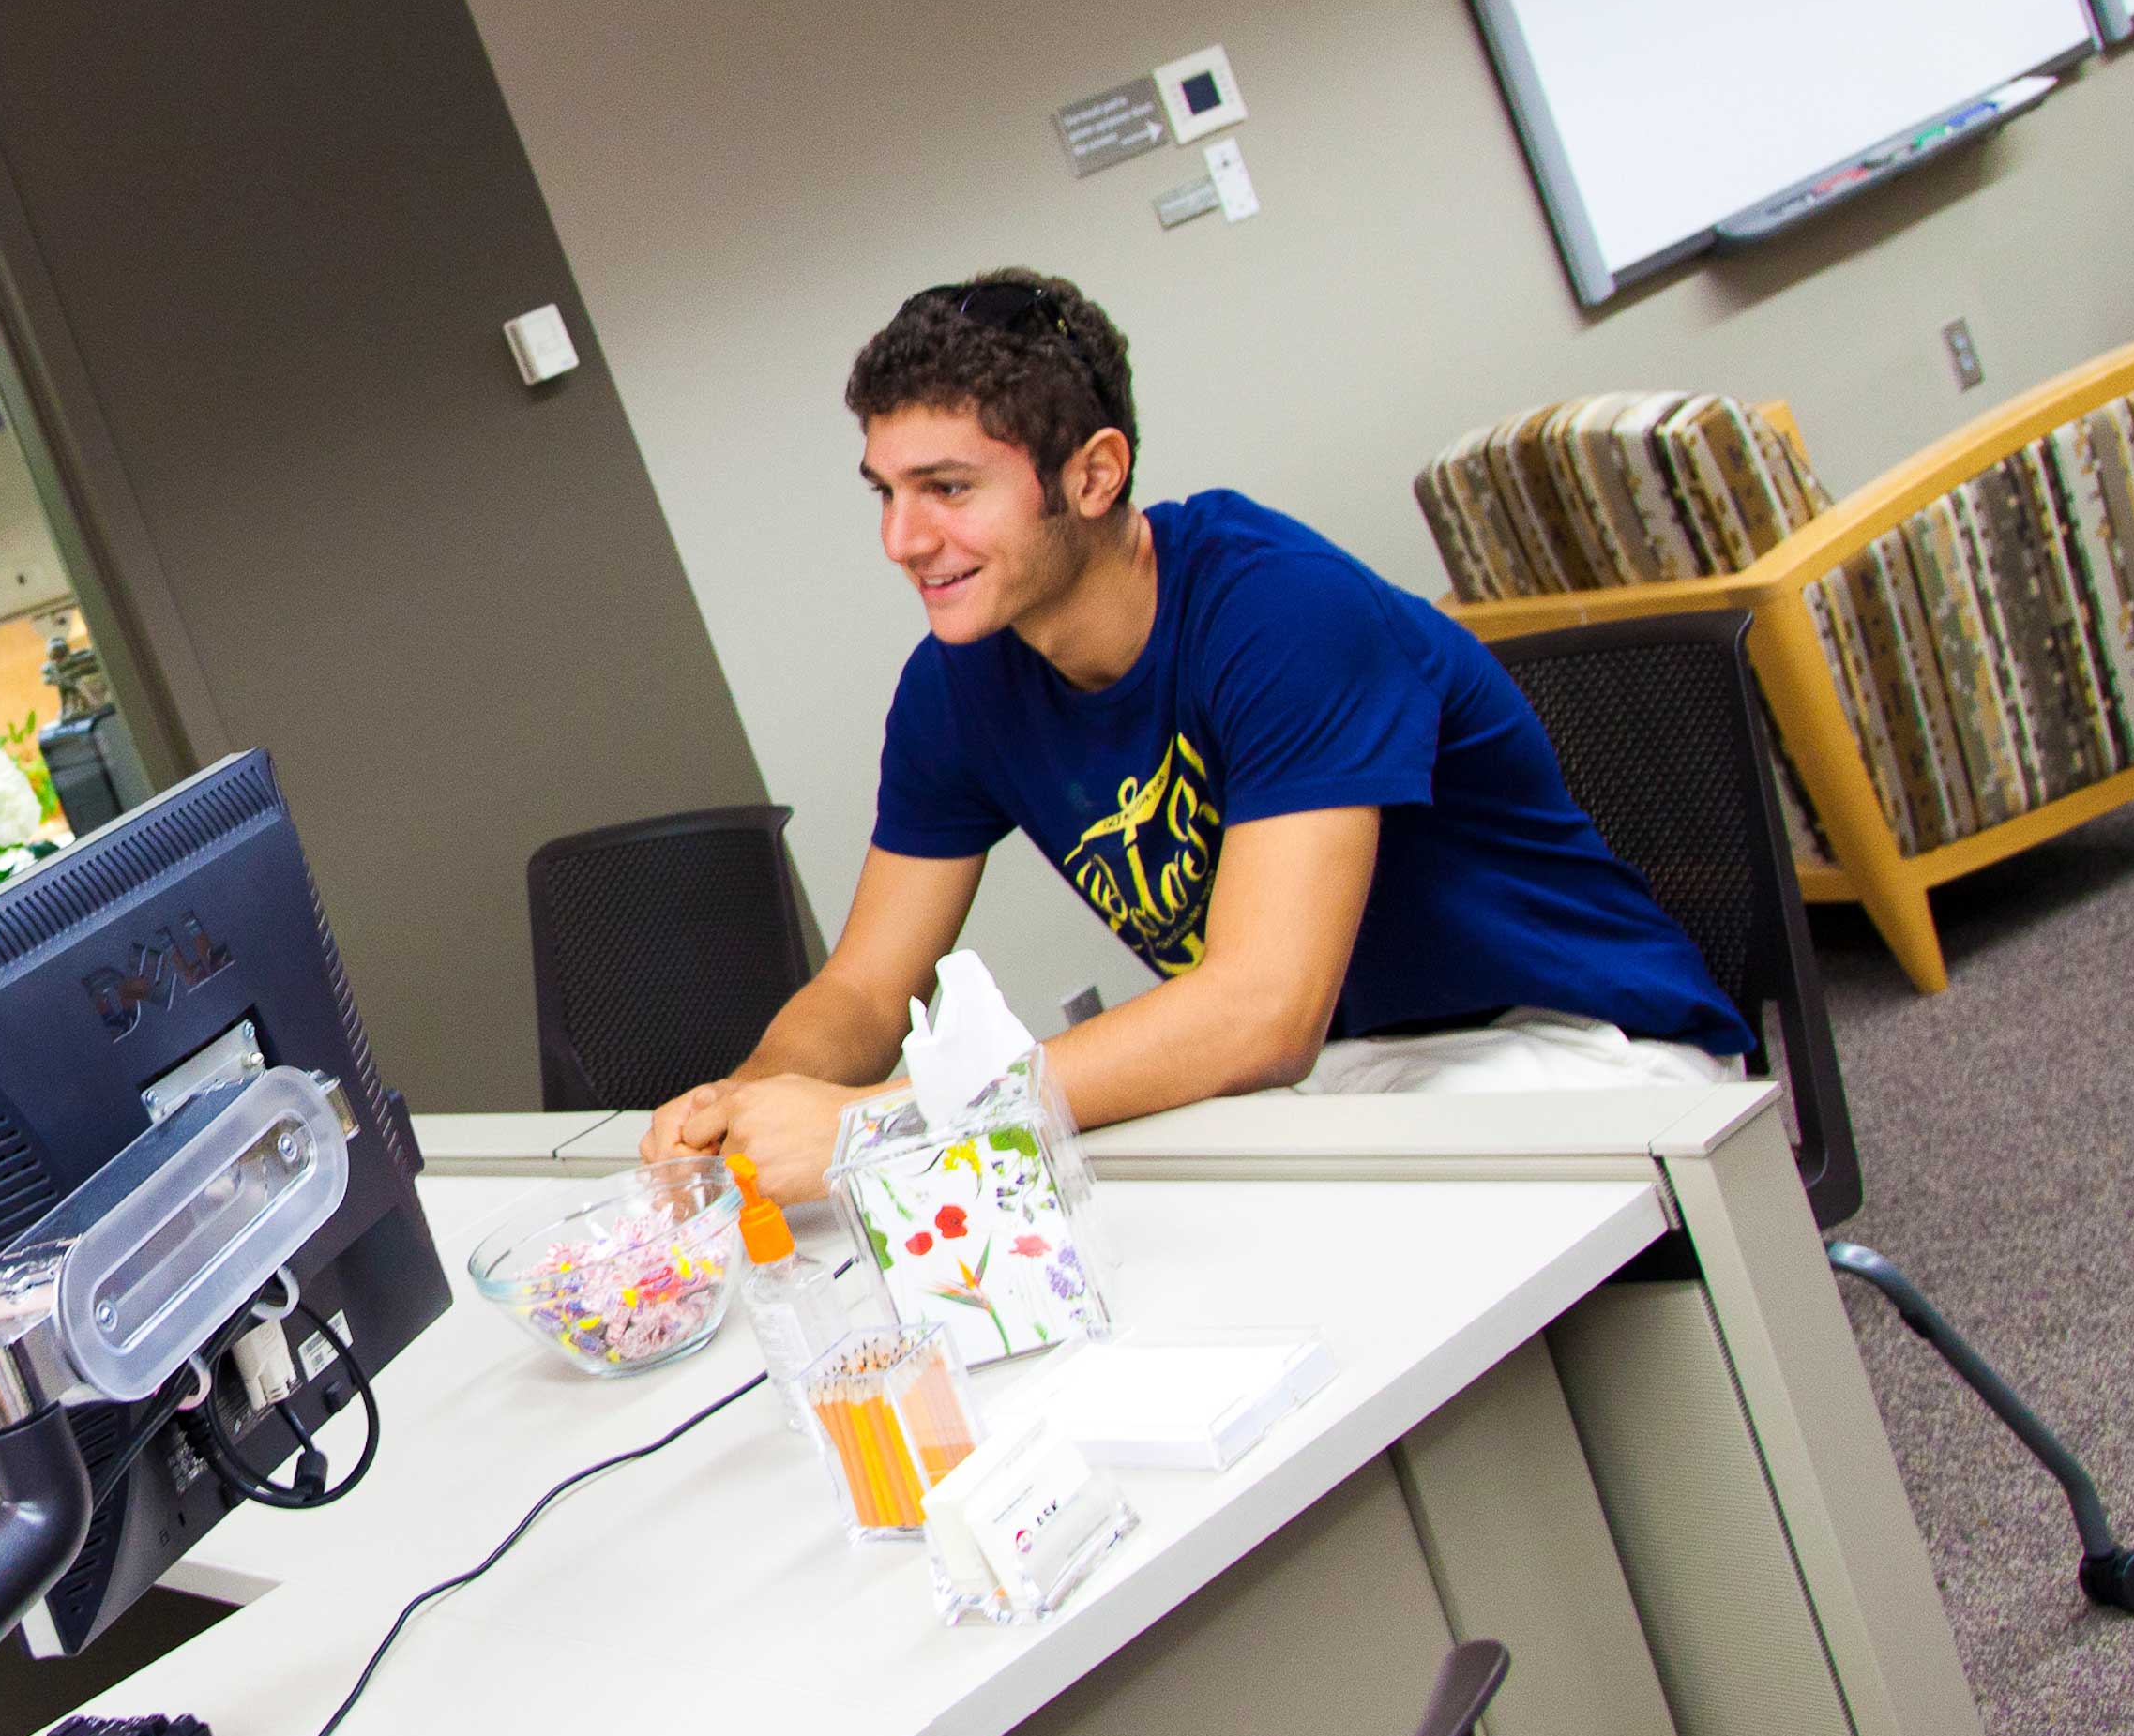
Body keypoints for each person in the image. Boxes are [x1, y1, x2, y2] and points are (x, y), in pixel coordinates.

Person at [648, 270, 1748, 1182]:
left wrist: (877, 1121)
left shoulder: (1277, 610)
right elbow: (862, 989)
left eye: (944, 488)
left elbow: (1260, 1010)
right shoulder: (955, 682)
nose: (900, 537)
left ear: (1091, 474)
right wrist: (739, 1107)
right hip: (1338, 1079)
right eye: (883, 492)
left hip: (1575, 1054)